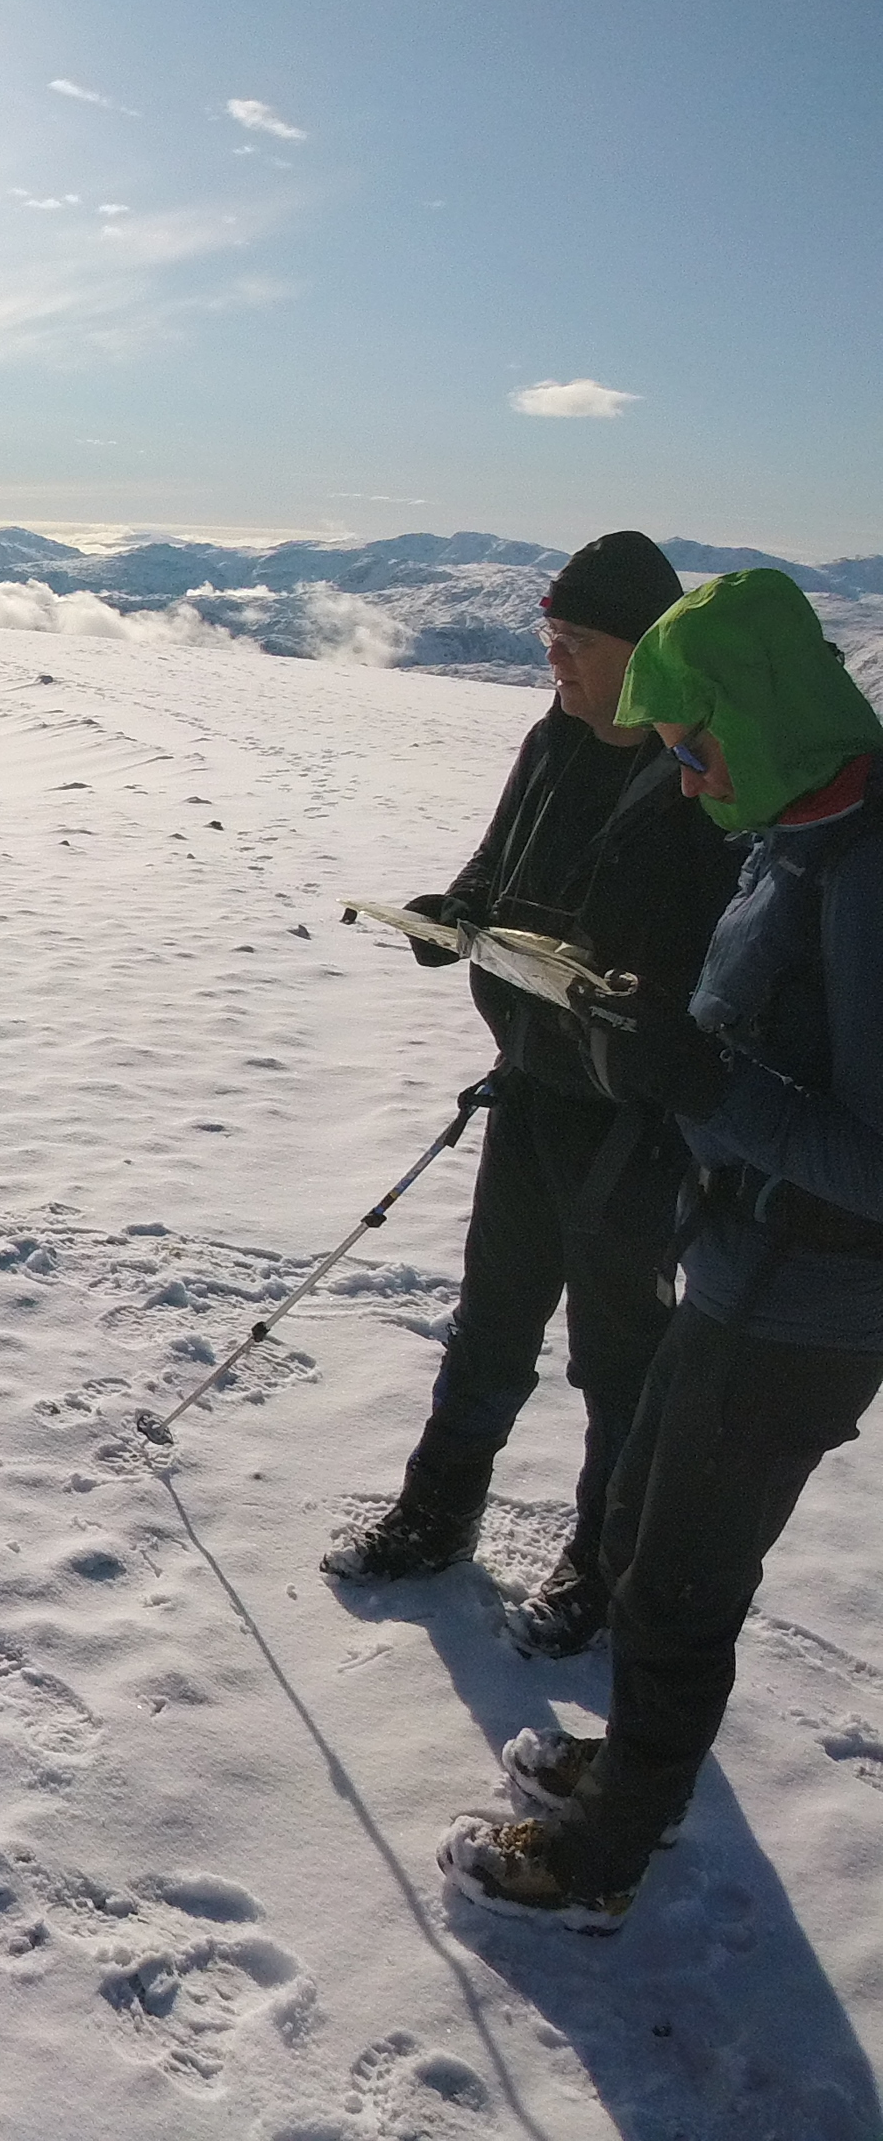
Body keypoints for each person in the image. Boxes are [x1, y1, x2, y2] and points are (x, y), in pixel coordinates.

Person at [444, 567, 883, 1928]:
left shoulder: (867, 875)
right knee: (642, 1535)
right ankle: (637, 1769)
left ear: (761, 716)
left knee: (682, 1579)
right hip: (742, 1261)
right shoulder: (799, 831)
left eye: (696, 748)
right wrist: (659, 1028)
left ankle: (603, 1857)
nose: (687, 779)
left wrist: (701, 1079)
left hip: (811, 1302)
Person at [322, 533, 739, 1657]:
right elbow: (495, 866)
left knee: (620, 1356)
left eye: (574, 641)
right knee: (493, 1321)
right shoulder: (553, 737)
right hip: (534, 1083)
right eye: (549, 636)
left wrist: (643, 1013)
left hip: (636, 1123)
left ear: (643, 652)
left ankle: (604, 1569)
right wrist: (451, 917)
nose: (554, 658)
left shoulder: (700, 774)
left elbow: (723, 959)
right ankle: (436, 1515)